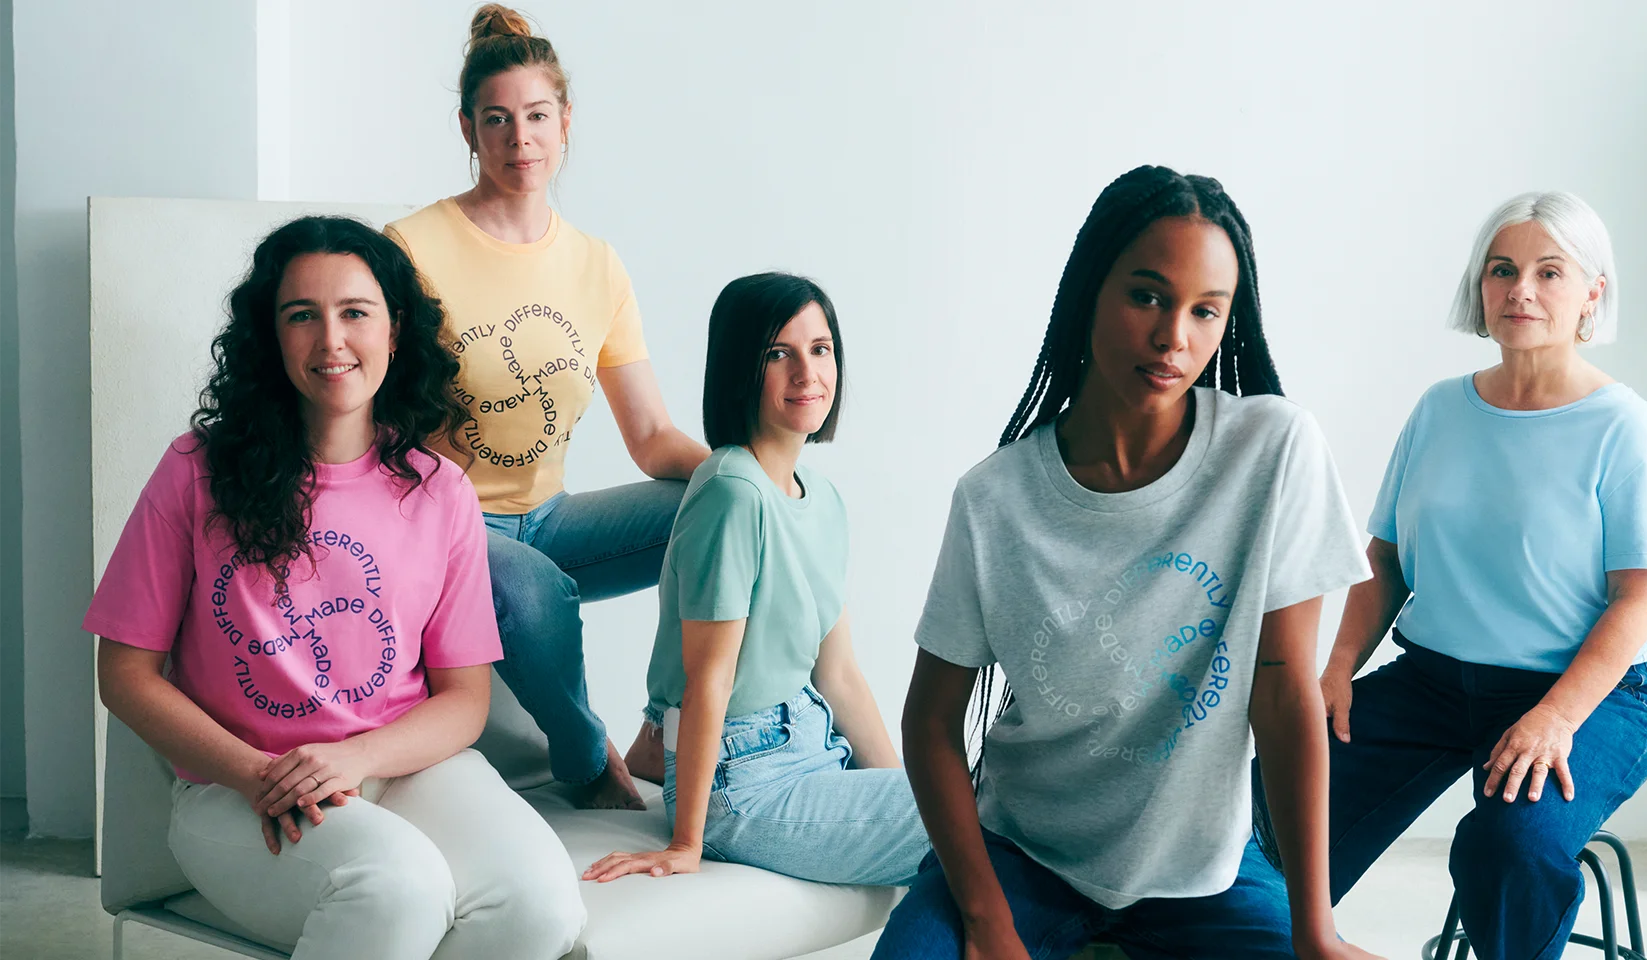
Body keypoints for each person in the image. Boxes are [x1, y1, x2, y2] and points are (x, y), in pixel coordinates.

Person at [872, 166, 1384, 960]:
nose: (1173, 336)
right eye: (1147, 295)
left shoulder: (1273, 451)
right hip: (1022, 859)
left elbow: (1284, 696)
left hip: (1203, 875)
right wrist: (986, 918)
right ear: (1090, 291)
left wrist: (1316, 933)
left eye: (1205, 311)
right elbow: (931, 722)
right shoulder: (995, 501)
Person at [86, 216, 585, 959]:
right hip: (239, 789)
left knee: (542, 906)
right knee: (397, 887)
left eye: (355, 312)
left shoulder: (439, 489)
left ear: (394, 328)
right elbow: (123, 675)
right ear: (270, 334)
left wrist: (356, 759)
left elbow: (464, 699)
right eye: (301, 316)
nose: (331, 341)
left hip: (401, 765)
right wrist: (255, 774)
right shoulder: (197, 470)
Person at [1320, 191, 1647, 960]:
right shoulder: (1438, 412)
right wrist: (1338, 669)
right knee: (1277, 802)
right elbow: (1383, 562)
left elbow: (1639, 598)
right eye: (1503, 270)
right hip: (1432, 683)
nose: (1521, 290)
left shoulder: (1625, 429)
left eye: (1551, 272)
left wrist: (1554, 718)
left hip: (1587, 697)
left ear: (1592, 293)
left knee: (1509, 843)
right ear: (1480, 287)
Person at [384, 4, 708, 809]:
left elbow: (653, 436)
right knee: (532, 591)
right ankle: (586, 764)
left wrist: (744, 477)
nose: (519, 139)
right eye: (496, 120)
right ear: (468, 128)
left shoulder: (597, 266)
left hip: (552, 519)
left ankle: (660, 732)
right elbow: (371, 417)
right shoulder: (410, 248)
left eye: (535, 117)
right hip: (444, 525)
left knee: (716, 510)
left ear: (565, 123)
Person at [583, 273, 928, 886]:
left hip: (813, 742)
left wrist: (896, 787)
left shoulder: (823, 501)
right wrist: (686, 842)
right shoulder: (730, 490)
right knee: (994, 818)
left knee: (977, 803)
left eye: (820, 349)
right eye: (778, 354)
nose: (807, 373)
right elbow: (707, 675)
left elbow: (839, 676)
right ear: (743, 367)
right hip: (742, 777)